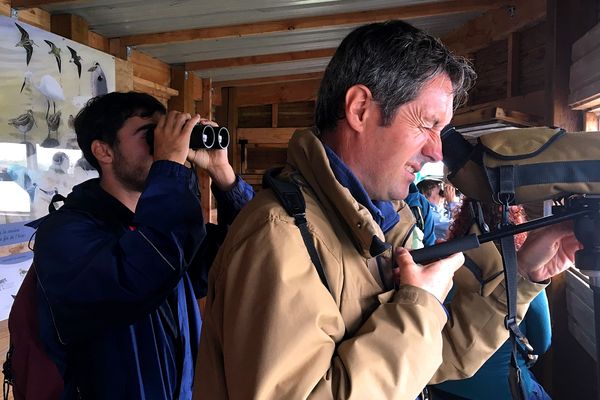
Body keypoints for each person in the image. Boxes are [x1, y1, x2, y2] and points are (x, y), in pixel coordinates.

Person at [194, 20, 580, 399]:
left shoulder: (375, 221)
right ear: (360, 109)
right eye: (427, 124)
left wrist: (526, 272)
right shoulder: (278, 237)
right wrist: (418, 310)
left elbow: (429, 361)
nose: (437, 151)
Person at [31, 92, 254, 399]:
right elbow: (139, 276)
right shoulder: (64, 233)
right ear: (104, 151)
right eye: (150, 135)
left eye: (165, 133)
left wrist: (222, 174)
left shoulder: (166, 229)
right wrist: (170, 167)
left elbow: (250, 248)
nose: (163, 144)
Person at [432, 200, 552, 400]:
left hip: (441, 388)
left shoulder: (439, 267)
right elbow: (542, 344)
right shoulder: (528, 278)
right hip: (504, 390)